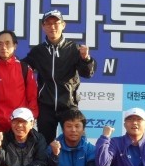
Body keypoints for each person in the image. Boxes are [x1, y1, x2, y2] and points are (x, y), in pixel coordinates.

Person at [23, 10, 96, 143]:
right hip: (45, 106)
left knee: (77, 141)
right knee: (45, 144)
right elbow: (20, 69)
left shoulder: (74, 49)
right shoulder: (38, 51)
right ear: (43, 27)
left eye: (56, 23)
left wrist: (86, 59)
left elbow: (87, 73)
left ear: (63, 25)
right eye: (48, 23)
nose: (52, 27)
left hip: (69, 104)